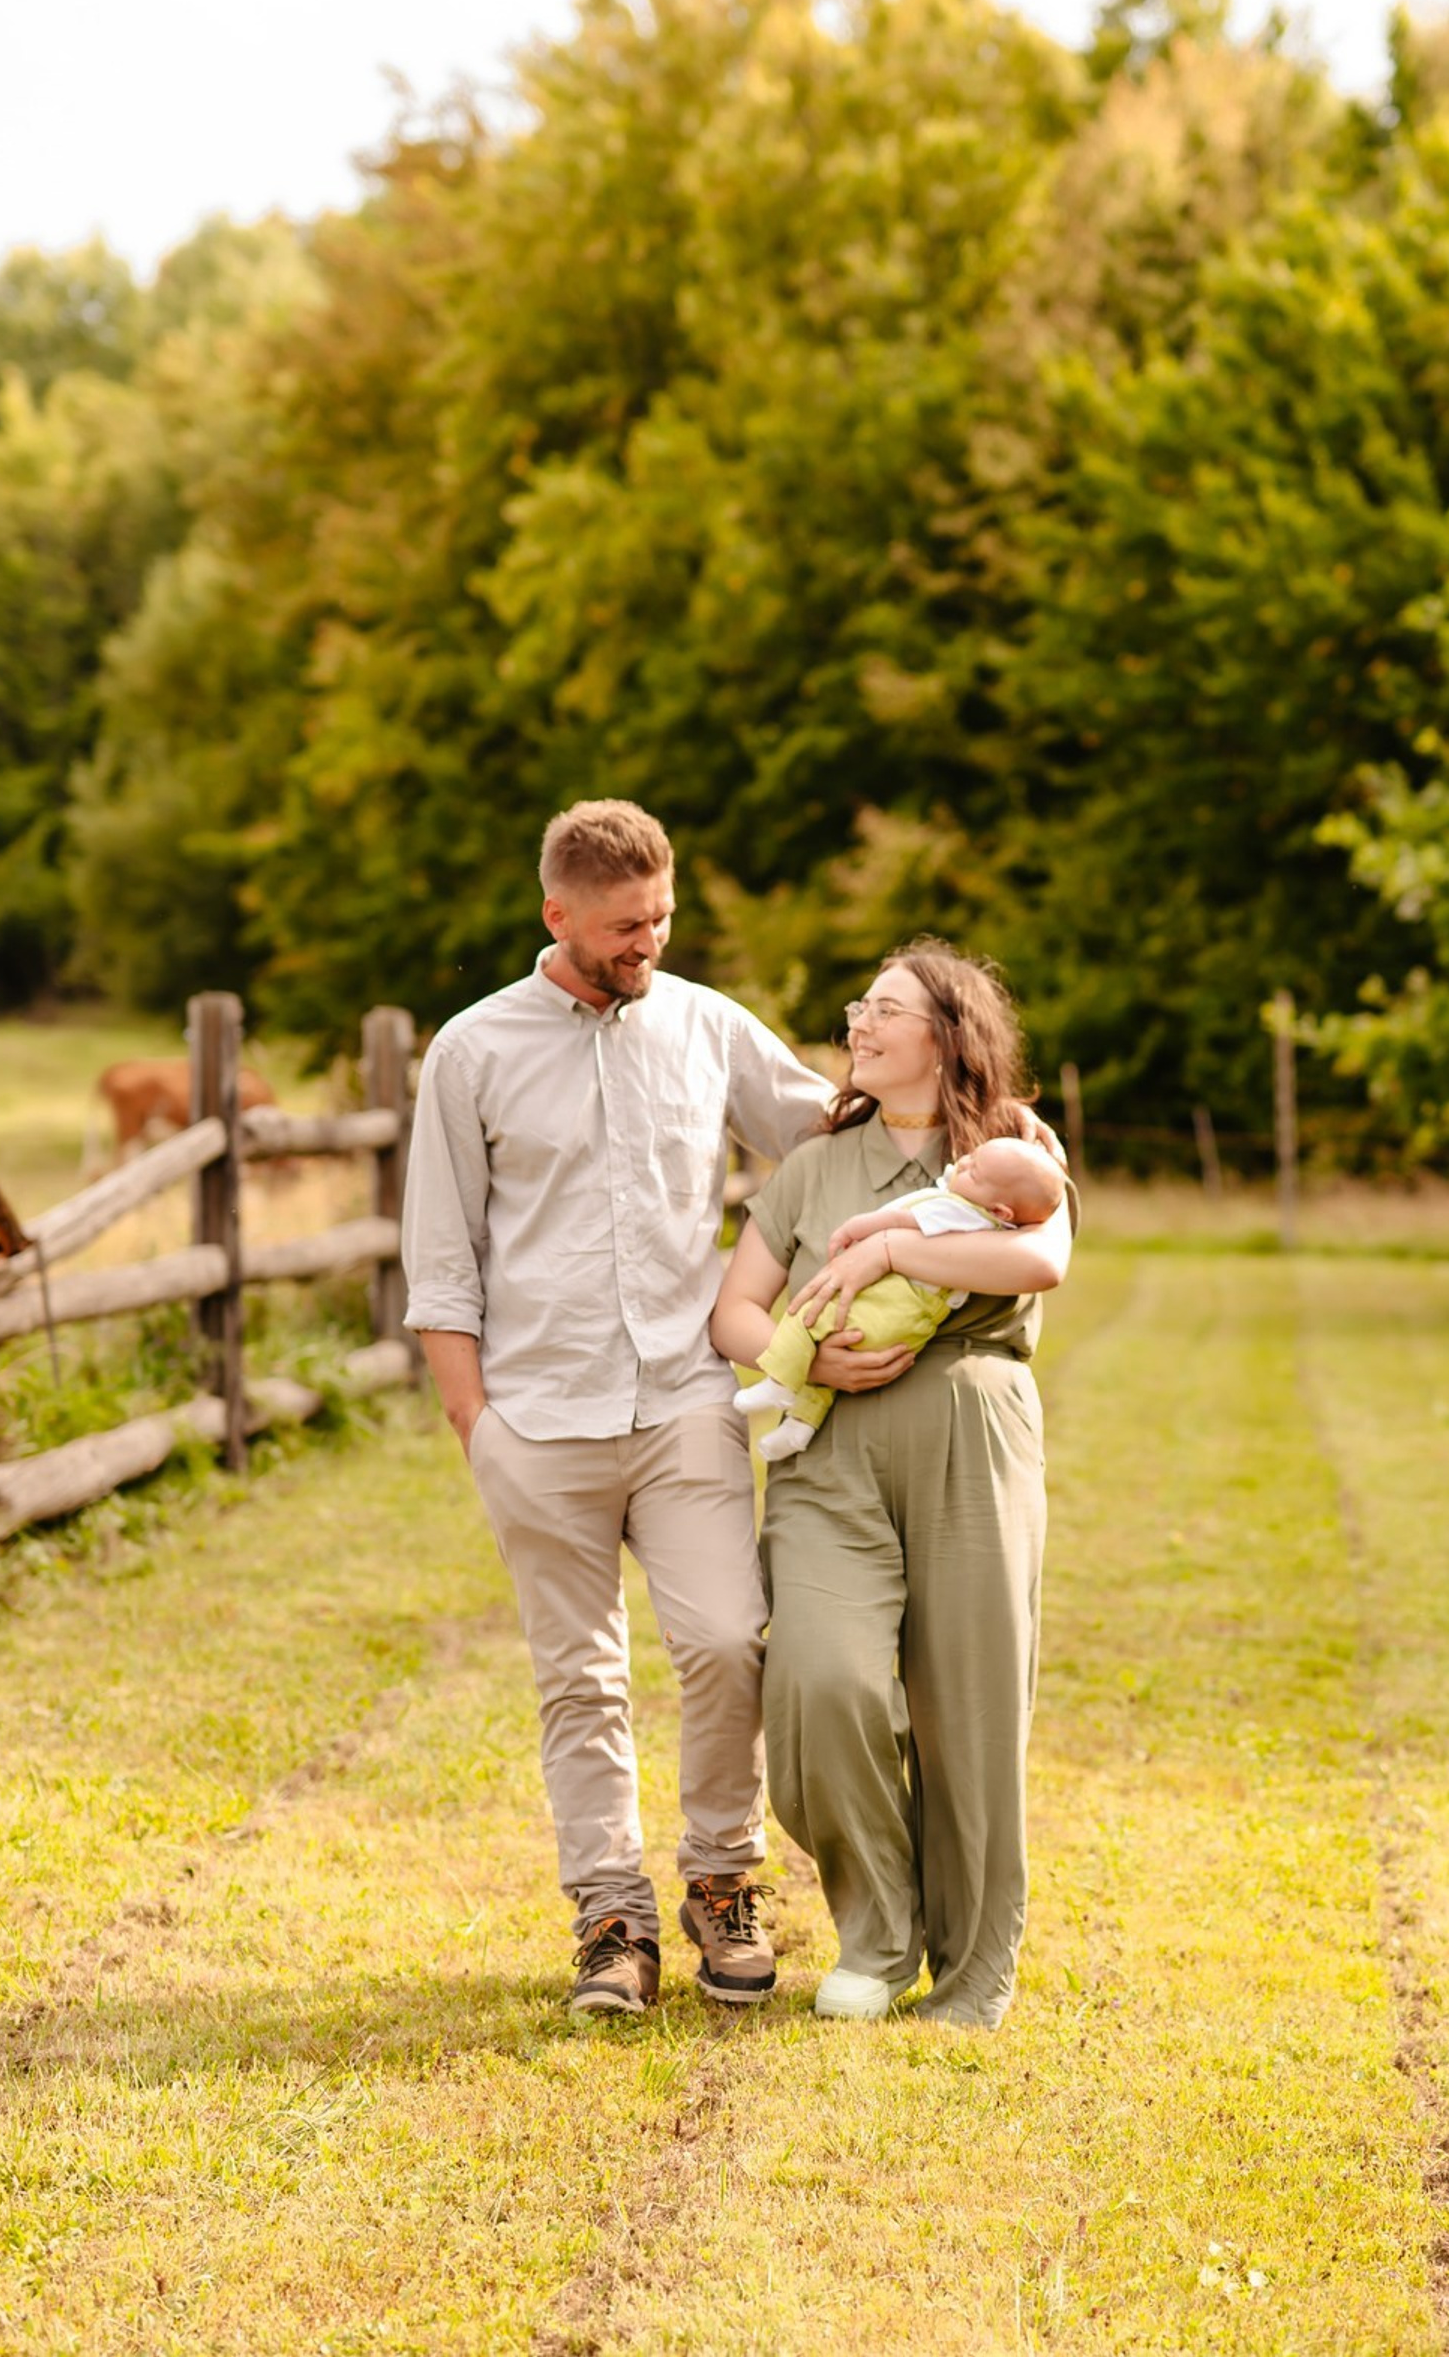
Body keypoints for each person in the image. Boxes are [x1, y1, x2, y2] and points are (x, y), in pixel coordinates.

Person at [400, 798, 908, 2016]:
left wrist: (986, 1140)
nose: (650, 943)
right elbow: (441, 1257)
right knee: (581, 1681)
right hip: (537, 1419)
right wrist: (478, 1428)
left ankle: (722, 1880)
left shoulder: (706, 1026)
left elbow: (832, 1138)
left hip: (683, 1401)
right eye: (626, 926)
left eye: (662, 918)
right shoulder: (470, 1051)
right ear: (557, 914)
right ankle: (610, 1918)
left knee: (730, 1641)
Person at [711, 941, 1074, 2029]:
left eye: (885, 1009)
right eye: (858, 1007)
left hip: (974, 1438)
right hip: (830, 1454)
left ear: (947, 1036)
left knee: (971, 1705)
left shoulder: (1017, 1145)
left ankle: (973, 1968)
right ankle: (877, 1935)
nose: (858, 1025)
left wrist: (888, 1254)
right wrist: (801, 1356)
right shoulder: (813, 1167)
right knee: (822, 1682)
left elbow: (1038, 1262)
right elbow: (733, 1311)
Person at [733, 1133, 1067, 1460]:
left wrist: (867, 1235)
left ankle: (780, 1378)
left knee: (809, 1318)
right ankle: (801, 1426)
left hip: (890, 1313)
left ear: (1001, 1211)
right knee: (827, 1370)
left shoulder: (960, 1207)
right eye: (971, 1157)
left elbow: (902, 1218)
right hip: (910, 1326)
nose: (963, 1163)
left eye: (975, 1172)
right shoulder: (993, 1215)